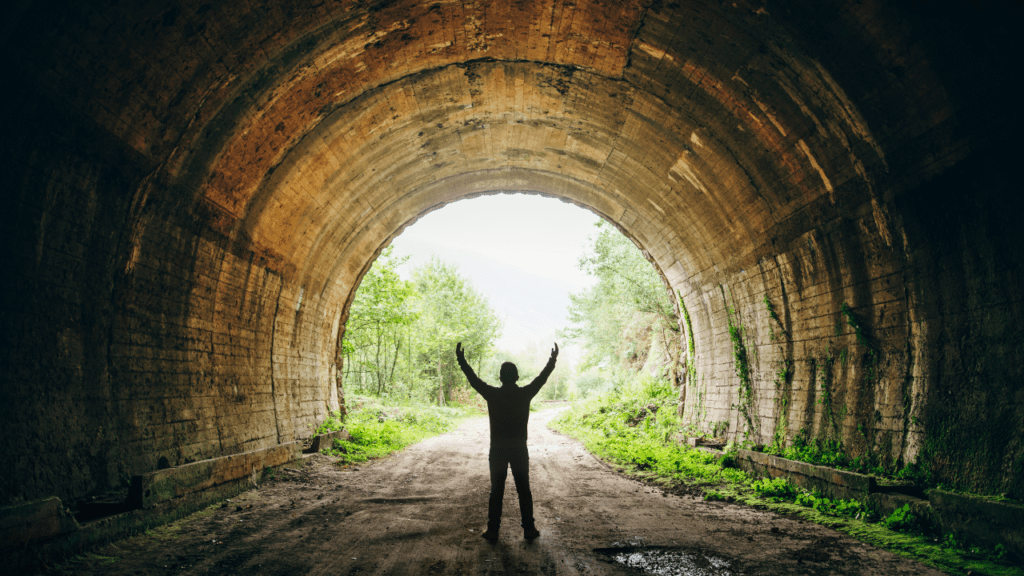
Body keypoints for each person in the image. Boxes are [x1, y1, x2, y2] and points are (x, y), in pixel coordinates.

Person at [455, 341, 558, 541]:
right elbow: (542, 379)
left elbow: (473, 379)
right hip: (519, 450)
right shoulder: (525, 393)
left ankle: (493, 530)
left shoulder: (492, 394)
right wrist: (552, 360)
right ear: (517, 377)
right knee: (524, 491)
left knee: (496, 491)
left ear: (500, 377)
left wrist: (461, 360)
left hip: (498, 451)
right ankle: (529, 529)